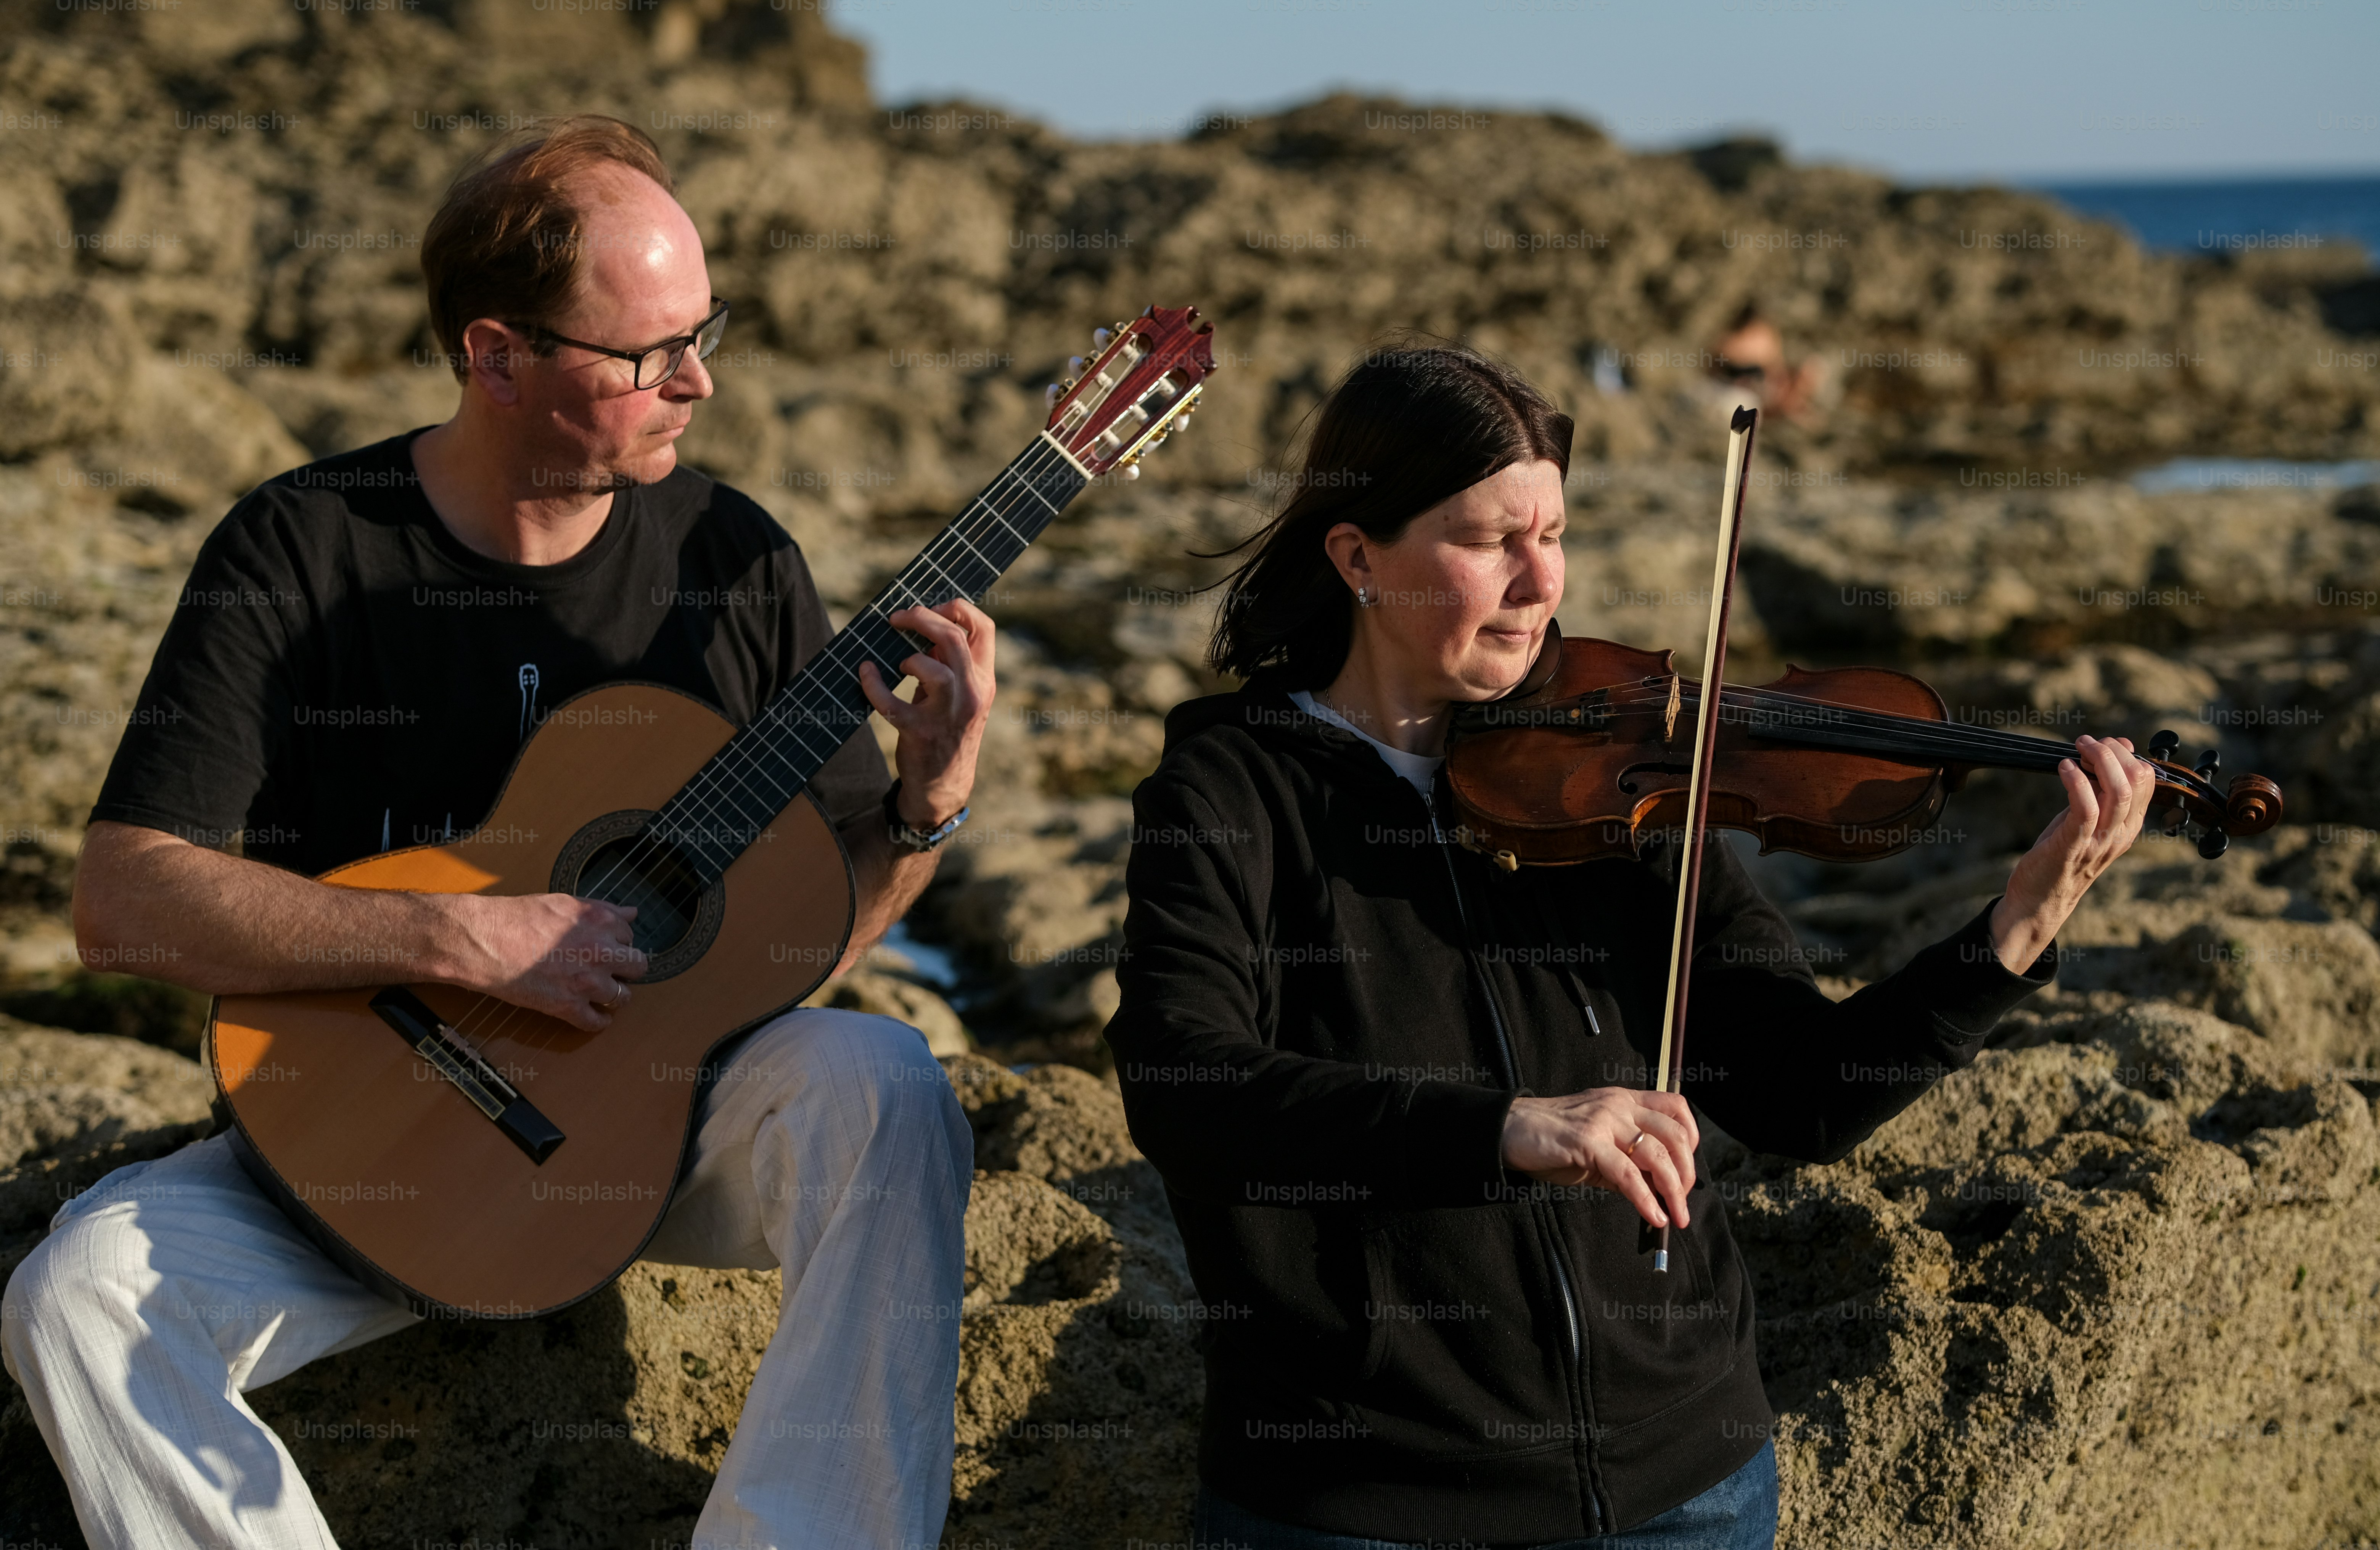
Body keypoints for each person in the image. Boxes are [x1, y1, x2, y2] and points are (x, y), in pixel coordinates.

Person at [0, 117, 990, 1549]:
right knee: (75, 1298)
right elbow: (126, 901)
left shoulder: (735, 562)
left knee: (889, 1086)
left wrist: (926, 804)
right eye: (651, 354)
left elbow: (807, 943)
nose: (699, 380)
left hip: (657, 1119)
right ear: (497, 356)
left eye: (708, 330)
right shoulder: (302, 548)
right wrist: (452, 932)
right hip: (373, 1144)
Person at [1106, 339, 2154, 1548]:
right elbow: (1183, 1082)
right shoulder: (1232, 793)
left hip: (1690, 1489)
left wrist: (2019, 926)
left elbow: (1803, 1095)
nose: (1538, 581)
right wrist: (1508, 1127)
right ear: (1358, 557)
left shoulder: (1622, 781)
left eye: (1554, 535)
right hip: (1367, 1505)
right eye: (1489, 540)